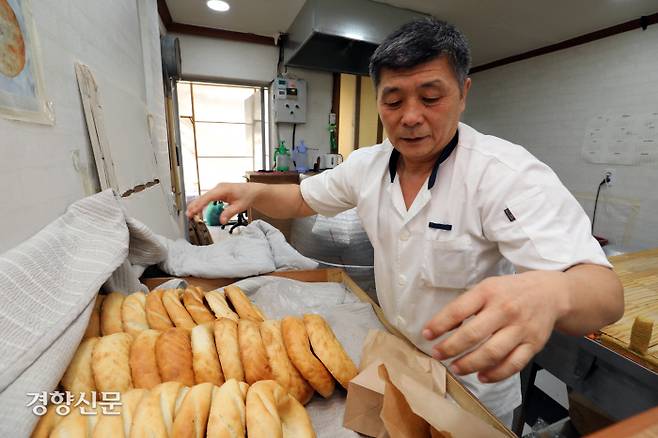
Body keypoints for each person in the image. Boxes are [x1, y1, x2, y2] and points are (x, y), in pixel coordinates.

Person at [187, 17, 623, 425]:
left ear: (464, 92)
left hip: (471, 390)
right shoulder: (367, 166)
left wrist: (555, 289)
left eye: (431, 97)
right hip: (395, 363)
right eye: (393, 101)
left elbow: (605, 294)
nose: (410, 116)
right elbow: (302, 198)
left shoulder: (504, 175)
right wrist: (255, 192)